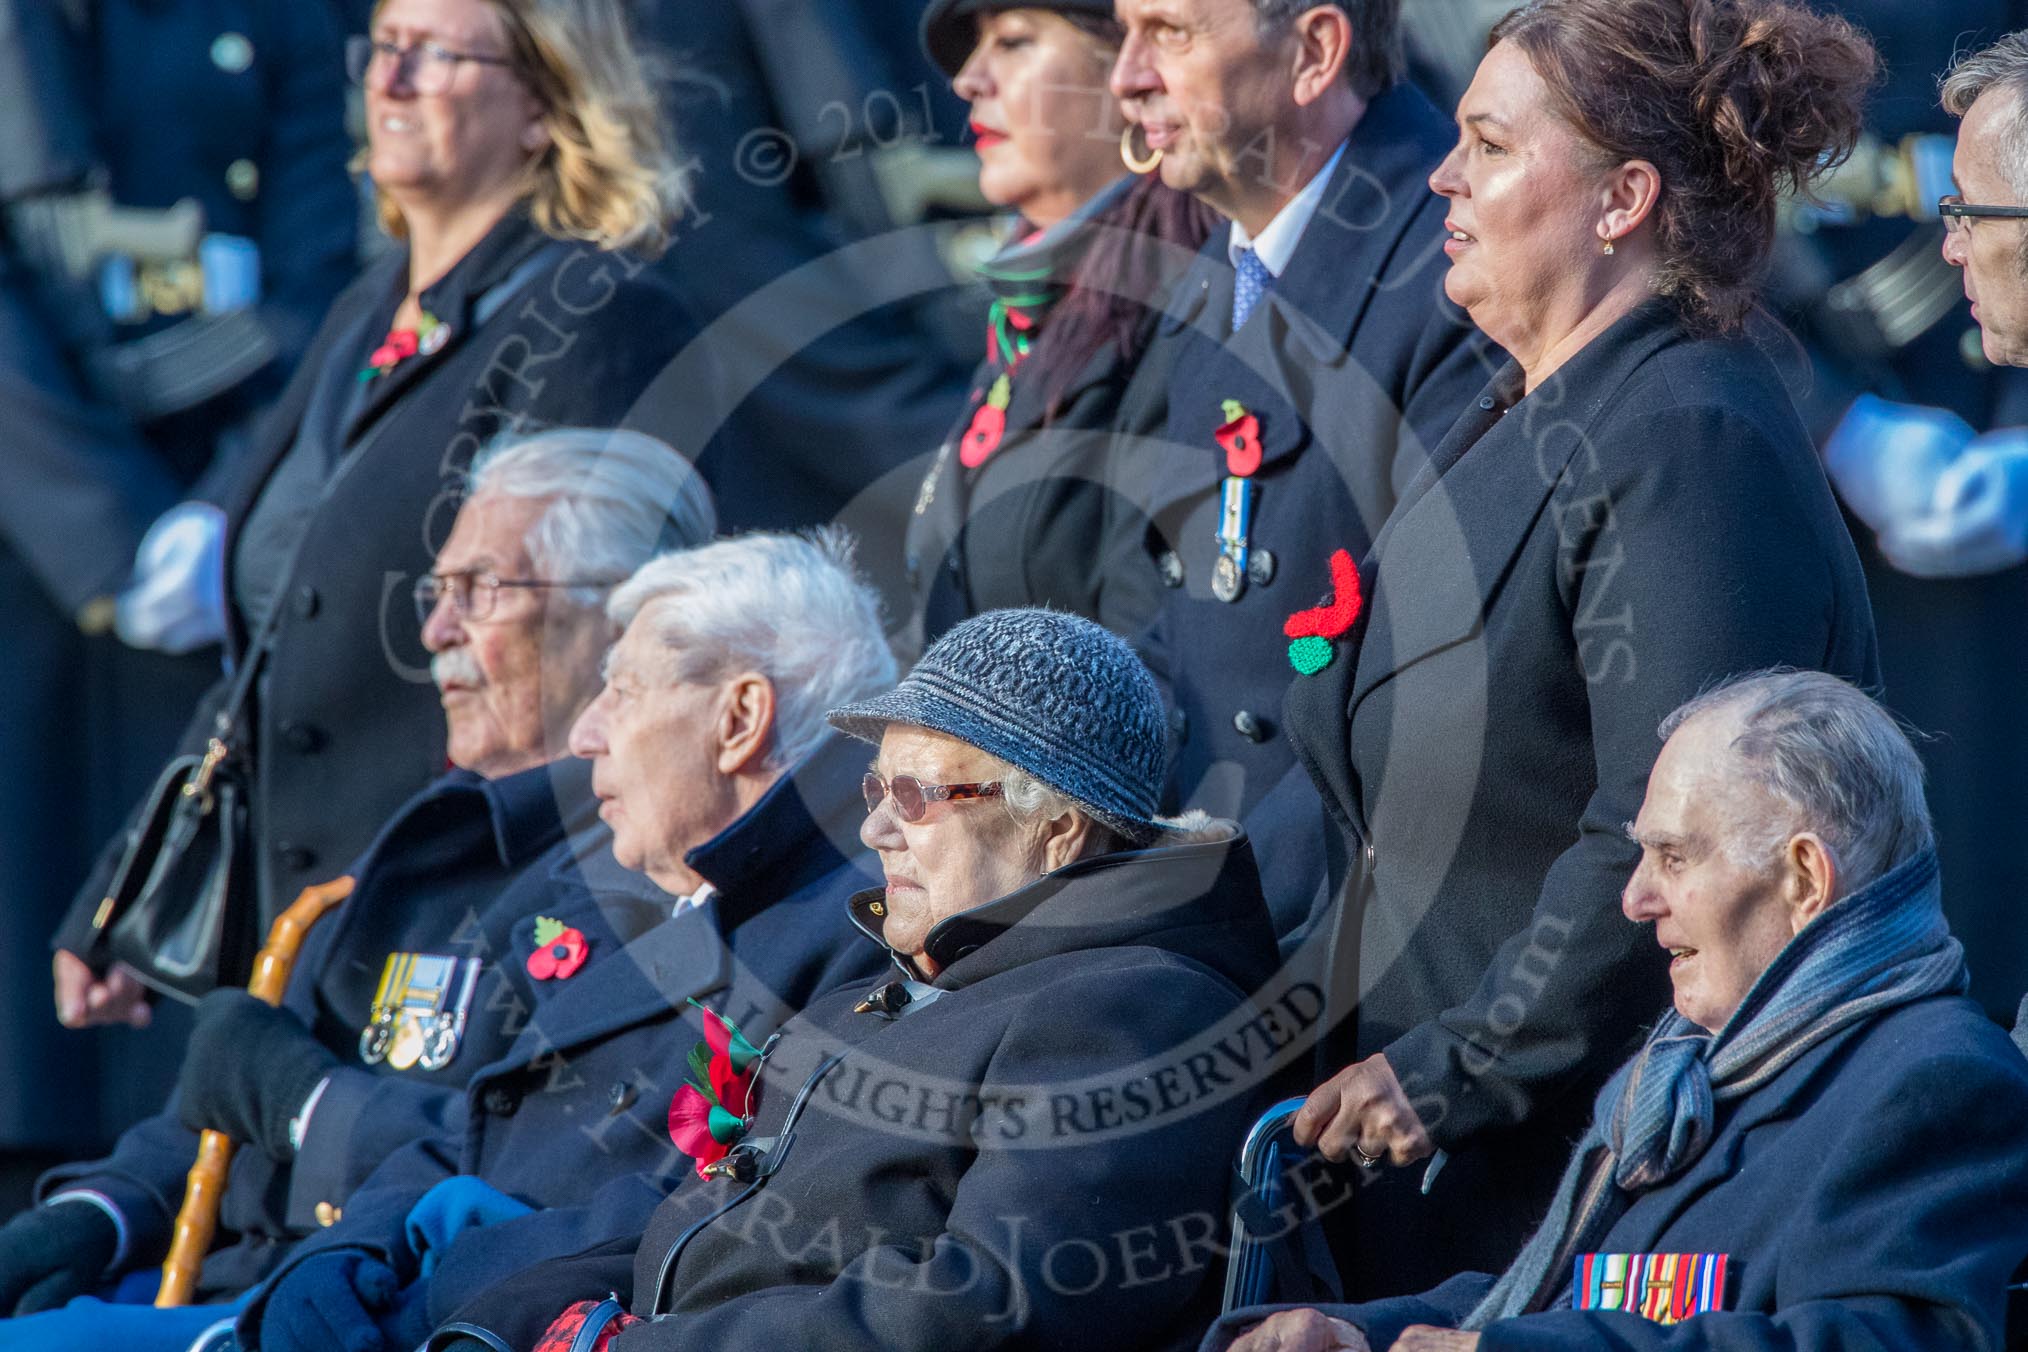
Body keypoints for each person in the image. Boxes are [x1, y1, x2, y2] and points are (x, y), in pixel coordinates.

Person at [1281, 0, 1882, 1298]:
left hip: (1587, 1191)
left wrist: (1463, 1066)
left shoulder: (1688, 442)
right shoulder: (1513, 405)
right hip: (1432, 1176)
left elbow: (1670, 835)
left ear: (1622, 199)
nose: (1443, 176)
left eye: (1490, 146)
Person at [52, 0, 716, 1023]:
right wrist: (126, 879)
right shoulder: (369, 308)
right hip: (293, 932)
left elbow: (571, 675)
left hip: (449, 933)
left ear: (544, 104)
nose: (390, 82)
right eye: (384, 48)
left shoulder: (597, 312)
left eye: (437, 55)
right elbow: (274, 637)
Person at [0, 429, 713, 1351]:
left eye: (481, 592)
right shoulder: (421, 841)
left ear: (620, 628)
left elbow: (557, 1169)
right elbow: (222, 1111)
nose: (435, 631)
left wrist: (309, 1104)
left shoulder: (654, 876)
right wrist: (104, 1208)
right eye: (435, 592)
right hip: (220, 1285)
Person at [420, 608, 1281, 1352]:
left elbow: (990, 1306)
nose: (874, 827)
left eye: (915, 795)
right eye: (877, 786)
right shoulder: (888, 993)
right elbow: (699, 1237)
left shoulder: (1136, 1006)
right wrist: (506, 1323)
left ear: (1054, 829)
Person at [1212, 670, 2026, 1352]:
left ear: (1805, 879)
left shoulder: (1935, 1079)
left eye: (1673, 856)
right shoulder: (1687, 1075)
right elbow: (1566, 1295)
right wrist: (1365, 1336)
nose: (1636, 899)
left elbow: (1884, 1339)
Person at [234, 531, 897, 1352]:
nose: (585, 734)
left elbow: (731, 1212)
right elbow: (489, 1119)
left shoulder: (868, 928)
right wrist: (348, 1246)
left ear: (739, 719)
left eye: (621, 691)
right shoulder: (681, 887)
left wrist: (452, 1275)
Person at [1105, 0, 1497, 936]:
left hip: (1362, 924)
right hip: (1230, 875)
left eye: (1170, 31)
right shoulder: (1226, 262)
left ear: (1316, 52)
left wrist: (1194, 915)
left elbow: (1427, 686)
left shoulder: (1451, 261)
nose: (1126, 76)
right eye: (1125, 32)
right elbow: (1185, 617)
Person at [902, 0, 1218, 647]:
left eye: (1015, 42)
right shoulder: (1027, 308)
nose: (968, 80)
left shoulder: (1184, 311)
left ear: (1130, 71)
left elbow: (1151, 657)